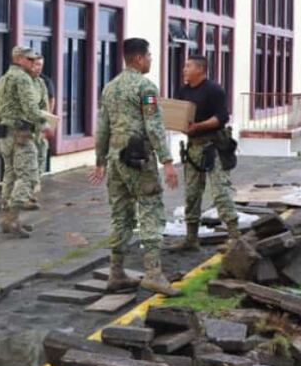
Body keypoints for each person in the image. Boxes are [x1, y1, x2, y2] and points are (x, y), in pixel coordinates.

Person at [89, 38, 181, 296]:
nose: (151, 60)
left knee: (121, 213)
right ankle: (153, 273)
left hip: (115, 158)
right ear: (139, 58)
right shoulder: (145, 87)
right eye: (150, 56)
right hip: (138, 156)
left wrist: (99, 161)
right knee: (150, 207)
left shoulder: (109, 88)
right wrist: (167, 161)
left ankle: (116, 272)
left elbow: (103, 128)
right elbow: (153, 126)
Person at [169, 55, 239, 252]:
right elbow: (180, 114)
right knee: (191, 194)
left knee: (220, 192)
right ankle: (191, 238)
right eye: (184, 66)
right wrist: (182, 127)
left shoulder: (214, 90)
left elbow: (222, 117)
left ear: (200, 69)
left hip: (214, 146)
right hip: (193, 148)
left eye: (188, 66)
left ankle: (234, 236)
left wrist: (199, 126)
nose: (184, 69)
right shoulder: (182, 91)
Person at [0, 46, 46, 237]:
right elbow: (31, 108)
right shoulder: (22, 78)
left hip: (5, 132)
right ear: (19, 59)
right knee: (29, 176)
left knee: (10, 175)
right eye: (29, 60)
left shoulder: (4, 79)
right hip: (20, 133)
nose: (33, 64)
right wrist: (45, 123)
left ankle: (9, 218)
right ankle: (11, 220)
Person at [24, 56, 55, 208]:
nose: (39, 68)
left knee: (41, 157)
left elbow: (50, 102)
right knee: (27, 162)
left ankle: (32, 190)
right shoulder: (22, 82)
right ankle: (26, 195)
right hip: (25, 130)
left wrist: (48, 124)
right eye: (36, 64)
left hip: (40, 129)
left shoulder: (43, 81)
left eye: (41, 65)